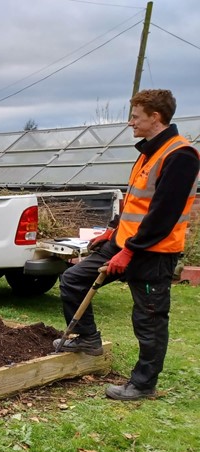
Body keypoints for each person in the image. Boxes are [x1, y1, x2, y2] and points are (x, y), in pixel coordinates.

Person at [54, 89, 199, 400]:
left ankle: (143, 384)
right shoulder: (147, 153)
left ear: (155, 117)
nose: (130, 122)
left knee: (148, 318)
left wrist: (130, 250)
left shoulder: (180, 156)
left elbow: (162, 214)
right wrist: (111, 232)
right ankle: (87, 338)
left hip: (152, 253)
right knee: (72, 280)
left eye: (135, 116)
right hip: (123, 243)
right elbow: (136, 204)